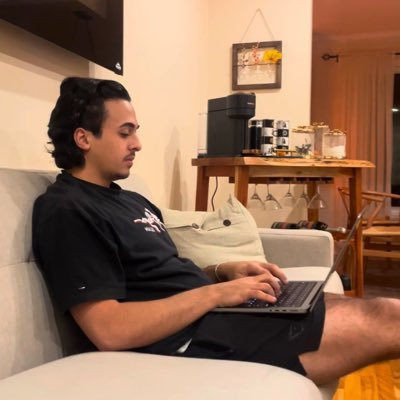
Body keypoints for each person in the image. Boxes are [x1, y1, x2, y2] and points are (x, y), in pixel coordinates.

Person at [33, 77, 400, 386]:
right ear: (84, 138)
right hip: (191, 339)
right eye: (124, 133)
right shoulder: (68, 210)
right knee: (386, 317)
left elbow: (161, 274)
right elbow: (109, 330)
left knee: (374, 309)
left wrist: (223, 272)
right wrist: (217, 295)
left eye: (136, 132)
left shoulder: (129, 199)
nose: (137, 144)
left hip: (216, 316)